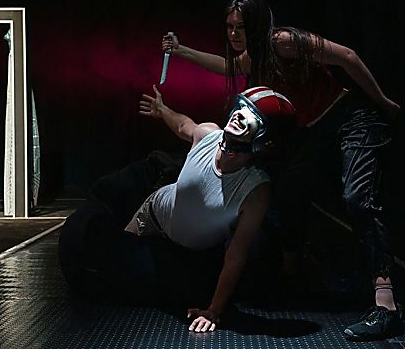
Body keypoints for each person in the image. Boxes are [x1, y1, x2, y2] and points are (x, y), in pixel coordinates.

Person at [160, 0, 403, 341]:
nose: (234, 34)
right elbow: (226, 66)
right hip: (314, 129)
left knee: (357, 196)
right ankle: (292, 272)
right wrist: (181, 50)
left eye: (241, 27)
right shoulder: (253, 57)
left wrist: (382, 101)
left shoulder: (284, 42)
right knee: (288, 188)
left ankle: (386, 303)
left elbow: (347, 57)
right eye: (229, 27)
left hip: (349, 116)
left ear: (258, 24)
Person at [58, 84, 296, 333]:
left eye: (252, 116)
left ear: (265, 140)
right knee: (114, 264)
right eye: (241, 107)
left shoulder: (255, 191)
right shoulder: (208, 135)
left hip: (190, 252)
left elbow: (236, 254)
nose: (239, 115)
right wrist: (162, 110)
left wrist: (214, 311)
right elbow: (184, 125)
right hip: (151, 215)